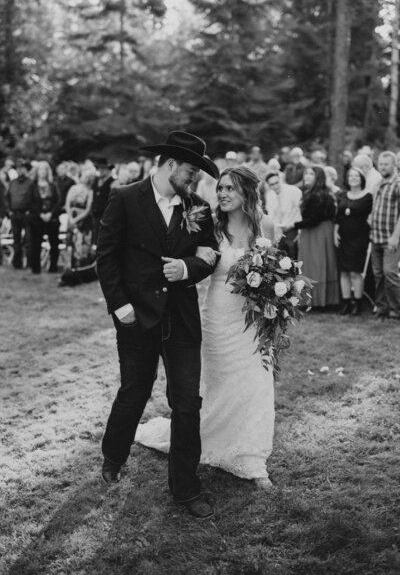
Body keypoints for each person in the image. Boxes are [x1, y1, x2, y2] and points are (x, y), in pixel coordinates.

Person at [96, 131, 219, 520]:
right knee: (134, 390)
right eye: (191, 170)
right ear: (170, 164)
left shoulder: (198, 207)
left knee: (186, 403)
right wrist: (120, 306)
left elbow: (210, 254)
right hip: (136, 316)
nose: (195, 178)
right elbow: (107, 256)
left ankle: (185, 488)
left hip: (180, 318)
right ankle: (113, 456)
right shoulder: (125, 197)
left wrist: (188, 267)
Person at [136, 165, 276, 490]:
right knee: (217, 386)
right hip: (218, 319)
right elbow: (196, 262)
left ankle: (252, 460)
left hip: (254, 322)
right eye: (221, 188)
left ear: (247, 193)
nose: (223, 193)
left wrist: (275, 300)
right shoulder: (212, 226)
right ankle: (211, 443)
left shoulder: (266, 226)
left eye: (230, 188)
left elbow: (277, 273)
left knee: (256, 386)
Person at [290, 165, 339, 307]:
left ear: (318, 178)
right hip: (310, 231)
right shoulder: (310, 193)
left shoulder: (320, 194)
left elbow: (314, 219)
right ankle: (309, 298)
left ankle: (320, 300)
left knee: (318, 263)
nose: (307, 176)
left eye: (311, 174)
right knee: (309, 263)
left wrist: (294, 225)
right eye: (306, 174)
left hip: (319, 231)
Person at [334, 167, 373, 315]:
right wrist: (335, 232)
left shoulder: (368, 196)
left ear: (361, 179)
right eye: (351, 175)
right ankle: (346, 303)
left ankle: (357, 303)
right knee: (343, 271)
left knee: (356, 272)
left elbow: (371, 216)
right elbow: (338, 216)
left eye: (356, 176)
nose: (353, 178)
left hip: (359, 238)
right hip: (343, 237)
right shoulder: (343, 195)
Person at [370, 151, 400, 319]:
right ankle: (381, 308)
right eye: (380, 164)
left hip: (391, 238)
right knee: (378, 274)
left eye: (386, 164)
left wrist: (396, 236)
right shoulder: (380, 183)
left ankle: (396, 309)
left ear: (394, 165)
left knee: (390, 272)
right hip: (376, 236)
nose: (382, 167)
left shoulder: (398, 183)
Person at [59, 170, 95, 285]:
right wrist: (71, 218)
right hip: (73, 221)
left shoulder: (90, 191)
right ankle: (69, 272)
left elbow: (88, 209)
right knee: (71, 246)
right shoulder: (73, 188)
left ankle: (81, 273)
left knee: (81, 248)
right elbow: (67, 204)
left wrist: (75, 219)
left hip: (84, 224)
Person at [29, 162, 61, 274]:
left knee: (54, 243)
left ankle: (53, 267)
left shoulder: (53, 185)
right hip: (37, 219)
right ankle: (36, 268)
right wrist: (40, 214)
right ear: (37, 171)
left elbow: (58, 201)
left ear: (48, 171)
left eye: (45, 169)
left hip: (52, 218)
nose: (43, 172)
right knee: (35, 244)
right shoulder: (32, 185)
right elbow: (30, 202)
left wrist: (50, 213)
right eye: (40, 169)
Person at [264, 171, 302, 258]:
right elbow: (271, 215)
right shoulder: (270, 195)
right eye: (272, 184)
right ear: (269, 186)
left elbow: (300, 211)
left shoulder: (293, 191)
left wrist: (300, 230)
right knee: (280, 257)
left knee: (293, 256)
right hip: (279, 231)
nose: (275, 186)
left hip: (293, 229)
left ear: (280, 180)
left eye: (277, 182)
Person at [6, 159, 35, 269]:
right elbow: (7, 197)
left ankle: (29, 263)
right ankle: (17, 263)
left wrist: (30, 211)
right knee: (16, 240)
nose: (20, 170)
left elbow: (34, 198)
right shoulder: (12, 183)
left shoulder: (31, 183)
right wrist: (9, 210)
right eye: (18, 168)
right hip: (15, 214)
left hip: (27, 214)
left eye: (22, 168)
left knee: (28, 240)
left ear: (26, 170)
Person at [90, 156, 114, 244]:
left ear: (108, 169)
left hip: (106, 215)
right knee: (95, 238)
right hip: (95, 214)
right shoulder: (96, 181)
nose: (101, 170)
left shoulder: (113, 182)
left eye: (103, 168)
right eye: (99, 168)